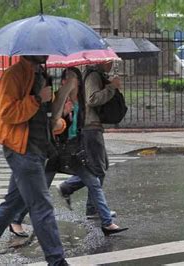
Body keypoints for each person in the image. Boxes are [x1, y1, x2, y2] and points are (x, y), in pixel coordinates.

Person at [0, 56, 68, 266]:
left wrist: (62, 101)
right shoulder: (14, 75)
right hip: (23, 150)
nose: (48, 52)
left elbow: (42, 118)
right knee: (42, 206)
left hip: (38, 149)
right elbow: (8, 113)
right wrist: (38, 99)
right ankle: (56, 260)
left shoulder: (41, 74)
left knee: (14, 203)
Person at [56, 61, 128, 236]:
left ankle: (77, 195)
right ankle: (88, 206)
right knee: (97, 171)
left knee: (100, 168)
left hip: (92, 127)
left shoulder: (96, 75)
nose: (112, 64)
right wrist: (111, 87)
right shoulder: (93, 75)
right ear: (103, 61)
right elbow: (92, 99)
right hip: (90, 128)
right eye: (111, 61)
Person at [8, 67, 82, 238]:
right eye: (70, 79)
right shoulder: (51, 96)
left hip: (57, 150)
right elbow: (51, 124)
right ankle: (15, 221)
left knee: (92, 178)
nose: (74, 83)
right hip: (43, 150)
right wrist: (62, 117)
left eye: (75, 79)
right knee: (28, 193)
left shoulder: (73, 100)